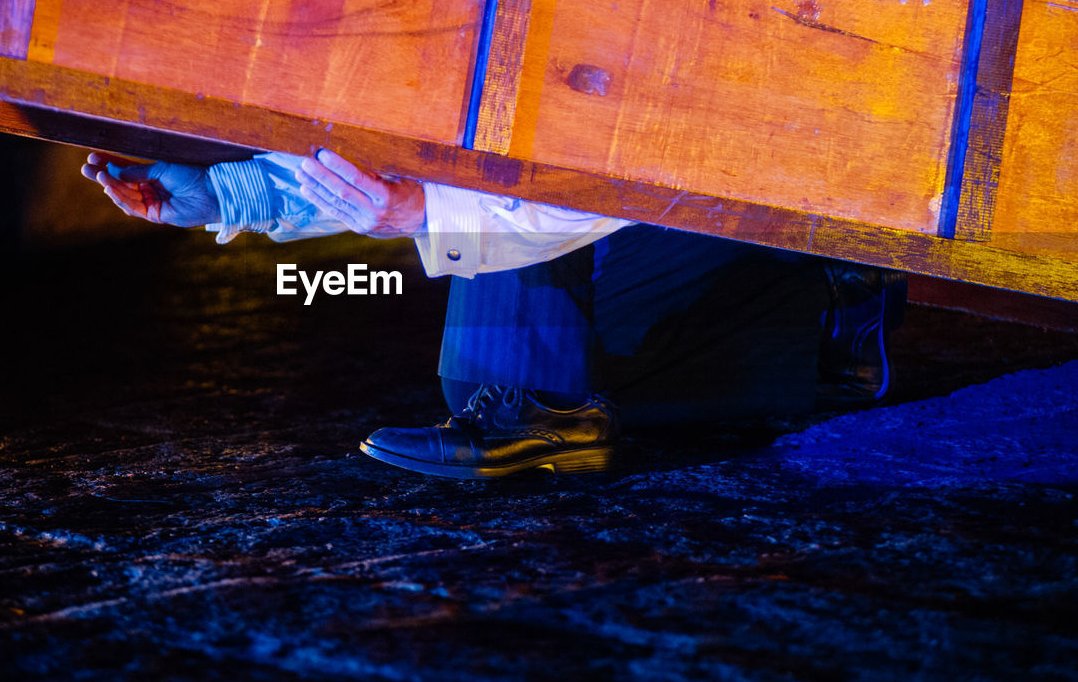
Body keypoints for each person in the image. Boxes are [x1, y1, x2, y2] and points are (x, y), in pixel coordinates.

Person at [82, 147, 904, 479]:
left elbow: (598, 161)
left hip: (738, 185)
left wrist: (427, 212)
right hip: (703, 222)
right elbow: (399, 127)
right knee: (498, 373)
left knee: (507, 369)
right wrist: (230, 193)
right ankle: (813, 311)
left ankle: (810, 282)